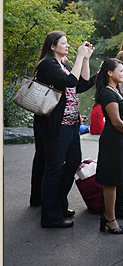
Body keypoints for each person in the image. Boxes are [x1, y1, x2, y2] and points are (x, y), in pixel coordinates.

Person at [31, 32, 95, 228]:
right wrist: (78, 56)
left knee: (74, 160)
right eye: (64, 43)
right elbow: (69, 82)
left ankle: (58, 203)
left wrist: (85, 59)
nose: (68, 46)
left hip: (71, 122)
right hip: (54, 124)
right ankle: (50, 216)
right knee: (54, 166)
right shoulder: (47, 65)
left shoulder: (64, 66)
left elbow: (81, 84)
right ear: (52, 46)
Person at [94, 58, 123, 235]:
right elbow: (116, 122)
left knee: (117, 179)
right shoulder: (108, 93)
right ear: (110, 73)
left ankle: (109, 216)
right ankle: (110, 219)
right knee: (111, 181)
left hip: (119, 140)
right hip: (113, 141)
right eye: (120, 71)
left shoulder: (114, 90)